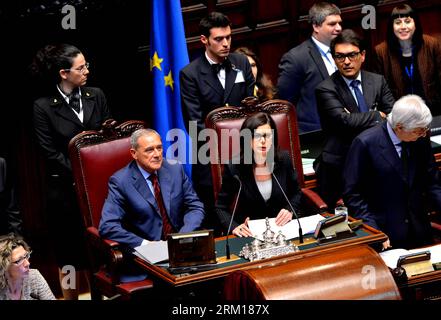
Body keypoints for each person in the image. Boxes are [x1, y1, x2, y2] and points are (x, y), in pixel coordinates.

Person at [31, 43, 111, 299]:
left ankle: (100, 294)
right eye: (81, 67)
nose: (86, 70)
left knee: (97, 252)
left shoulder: (96, 95)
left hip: (98, 189)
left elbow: (108, 137)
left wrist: (94, 175)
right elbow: (49, 153)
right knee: (69, 253)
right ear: (64, 73)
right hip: (64, 192)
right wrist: (81, 173)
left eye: (87, 65)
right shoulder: (43, 107)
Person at [180, 12, 254, 234]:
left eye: (228, 37)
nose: (226, 43)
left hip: (246, 153)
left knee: (250, 214)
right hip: (210, 157)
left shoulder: (241, 62)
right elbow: (194, 124)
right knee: (218, 221)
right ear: (204, 40)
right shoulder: (190, 74)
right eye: (219, 39)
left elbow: (251, 108)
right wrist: (229, 146)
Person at [343, 95, 441, 249]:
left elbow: (433, 182)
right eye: (418, 131)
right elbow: (353, 194)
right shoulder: (365, 143)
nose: (423, 134)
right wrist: (373, 231)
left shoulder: (420, 139)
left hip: (419, 230)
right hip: (384, 233)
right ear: (400, 127)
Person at [314, 29, 395, 210]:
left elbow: (394, 117)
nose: (347, 62)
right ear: (334, 59)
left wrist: (357, 118)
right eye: (340, 57)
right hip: (341, 166)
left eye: (352, 55)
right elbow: (344, 121)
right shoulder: (325, 89)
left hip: (376, 159)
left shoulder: (377, 81)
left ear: (363, 55)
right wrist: (376, 115)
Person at [99, 129, 205, 248]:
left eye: (159, 148)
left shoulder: (174, 169)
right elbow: (108, 226)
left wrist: (183, 236)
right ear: (134, 153)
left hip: (182, 244)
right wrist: (145, 245)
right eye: (149, 150)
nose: (157, 154)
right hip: (147, 252)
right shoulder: (120, 182)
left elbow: (195, 206)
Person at [215, 112, 301, 237]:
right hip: (250, 234)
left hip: (283, 230)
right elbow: (220, 207)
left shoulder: (283, 160)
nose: (263, 141)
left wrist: (289, 209)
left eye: (267, 136)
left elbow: (296, 192)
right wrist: (234, 226)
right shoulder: (235, 167)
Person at [277, 1, 342, 133]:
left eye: (339, 23)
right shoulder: (296, 58)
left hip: (345, 127)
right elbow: (285, 104)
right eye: (332, 24)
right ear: (316, 27)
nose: (339, 28)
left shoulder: (344, 50)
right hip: (317, 133)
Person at [373, 4, 441, 116]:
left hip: (432, 111)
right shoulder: (381, 52)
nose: (403, 26)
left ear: (415, 24)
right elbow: (379, 91)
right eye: (398, 22)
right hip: (400, 115)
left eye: (408, 21)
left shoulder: (432, 44)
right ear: (392, 26)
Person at [0, 233, 55, 300]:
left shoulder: (34, 276)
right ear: (4, 266)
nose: (27, 263)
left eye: (26, 256)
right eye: (19, 260)